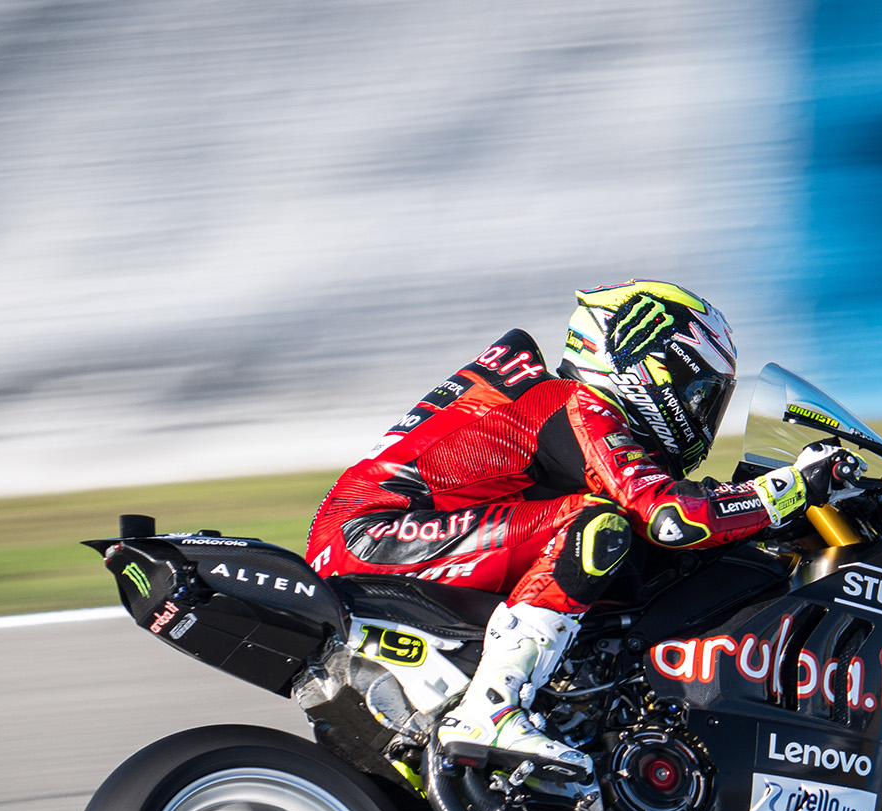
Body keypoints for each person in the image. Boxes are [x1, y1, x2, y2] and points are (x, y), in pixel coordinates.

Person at [306, 280, 841, 777]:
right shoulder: (576, 401)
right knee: (594, 525)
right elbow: (670, 516)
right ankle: (493, 710)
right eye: (697, 390)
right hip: (372, 534)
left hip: (378, 536)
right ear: (646, 359)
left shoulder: (546, 404)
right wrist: (792, 487)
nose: (703, 411)